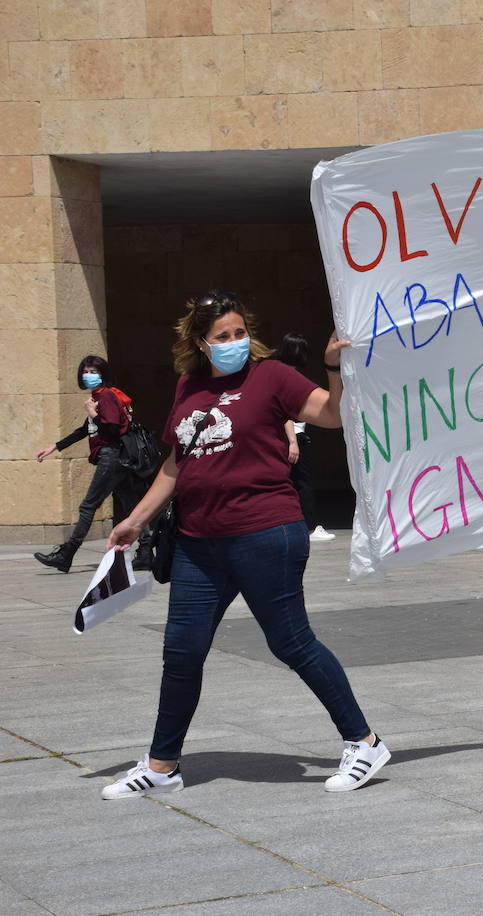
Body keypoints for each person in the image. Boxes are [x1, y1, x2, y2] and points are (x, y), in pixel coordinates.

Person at [101, 290, 389, 799]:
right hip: (198, 542)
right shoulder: (189, 385)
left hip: (265, 533)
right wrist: (136, 519)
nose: (234, 342)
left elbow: (330, 414)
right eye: (222, 336)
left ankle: (364, 742)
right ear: (200, 343)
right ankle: (162, 766)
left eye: (239, 332)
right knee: (182, 651)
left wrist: (332, 366)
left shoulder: (272, 376)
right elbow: (175, 463)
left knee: (291, 642)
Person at [34, 356, 153, 573]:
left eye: (93, 371)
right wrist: (55, 446)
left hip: (112, 456)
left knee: (88, 506)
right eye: (86, 371)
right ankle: (145, 552)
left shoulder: (105, 396)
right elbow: (85, 430)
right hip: (118, 457)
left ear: (103, 374)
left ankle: (67, 553)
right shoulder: (101, 396)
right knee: (130, 504)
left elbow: (112, 429)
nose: (88, 375)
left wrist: (93, 413)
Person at [274, 332, 335, 542]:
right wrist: (293, 442)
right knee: (303, 484)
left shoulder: (279, 373)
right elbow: (285, 414)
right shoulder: (288, 376)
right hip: (296, 438)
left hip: (291, 438)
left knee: (291, 483)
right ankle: (310, 528)